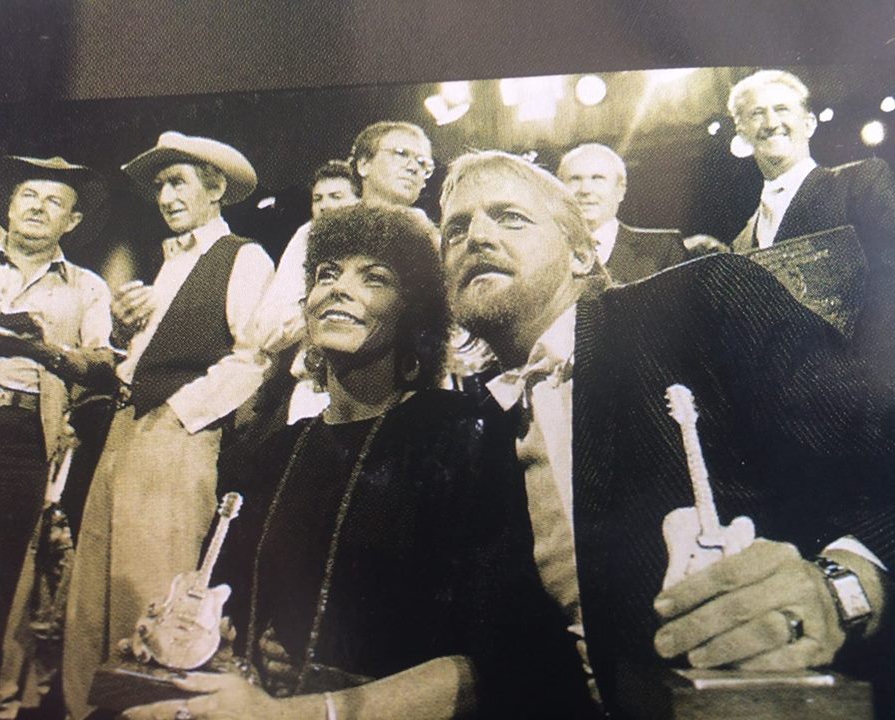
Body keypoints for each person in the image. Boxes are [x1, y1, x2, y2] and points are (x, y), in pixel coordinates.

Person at [440, 150, 895, 715]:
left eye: (509, 217)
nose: (475, 236)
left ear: (582, 253)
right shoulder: (485, 435)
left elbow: (881, 461)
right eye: (454, 230)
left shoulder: (703, 298)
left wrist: (844, 588)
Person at [122, 204, 584, 720]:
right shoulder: (268, 456)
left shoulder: (466, 437)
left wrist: (305, 710)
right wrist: (184, 647)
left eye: (375, 278)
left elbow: (510, 659)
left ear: (414, 312)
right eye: (326, 274)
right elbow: (227, 608)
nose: (339, 289)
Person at [63, 132, 275, 719]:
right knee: (98, 585)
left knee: (154, 586)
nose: (165, 194)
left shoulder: (242, 255)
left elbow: (253, 355)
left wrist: (184, 412)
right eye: (159, 184)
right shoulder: (165, 262)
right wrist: (127, 335)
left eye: (177, 180)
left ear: (215, 189)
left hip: (178, 438)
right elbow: (150, 354)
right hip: (127, 429)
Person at [0, 155, 114, 720]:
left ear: (73, 222)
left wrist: (41, 349)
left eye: (54, 201)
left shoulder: (87, 286)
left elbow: (104, 365)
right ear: (8, 208)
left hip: (17, 437)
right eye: (27, 195)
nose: (37, 206)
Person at [256, 123, 435, 426]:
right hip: (323, 398)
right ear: (363, 165)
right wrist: (328, 308)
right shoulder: (317, 234)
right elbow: (268, 330)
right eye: (401, 154)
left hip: (414, 401)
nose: (413, 167)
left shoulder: (433, 238)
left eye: (423, 164)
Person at [728, 69, 895, 381]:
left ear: (809, 123)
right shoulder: (740, 243)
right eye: (757, 113)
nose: (771, 122)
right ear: (742, 131)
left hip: (867, 399)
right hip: (788, 410)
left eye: (782, 109)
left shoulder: (859, 183)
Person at [556, 143, 686, 282]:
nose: (585, 190)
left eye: (598, 178)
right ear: (558, 189)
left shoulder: (663, 250)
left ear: (620, 190)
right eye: (575, 179)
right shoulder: (542, 252)